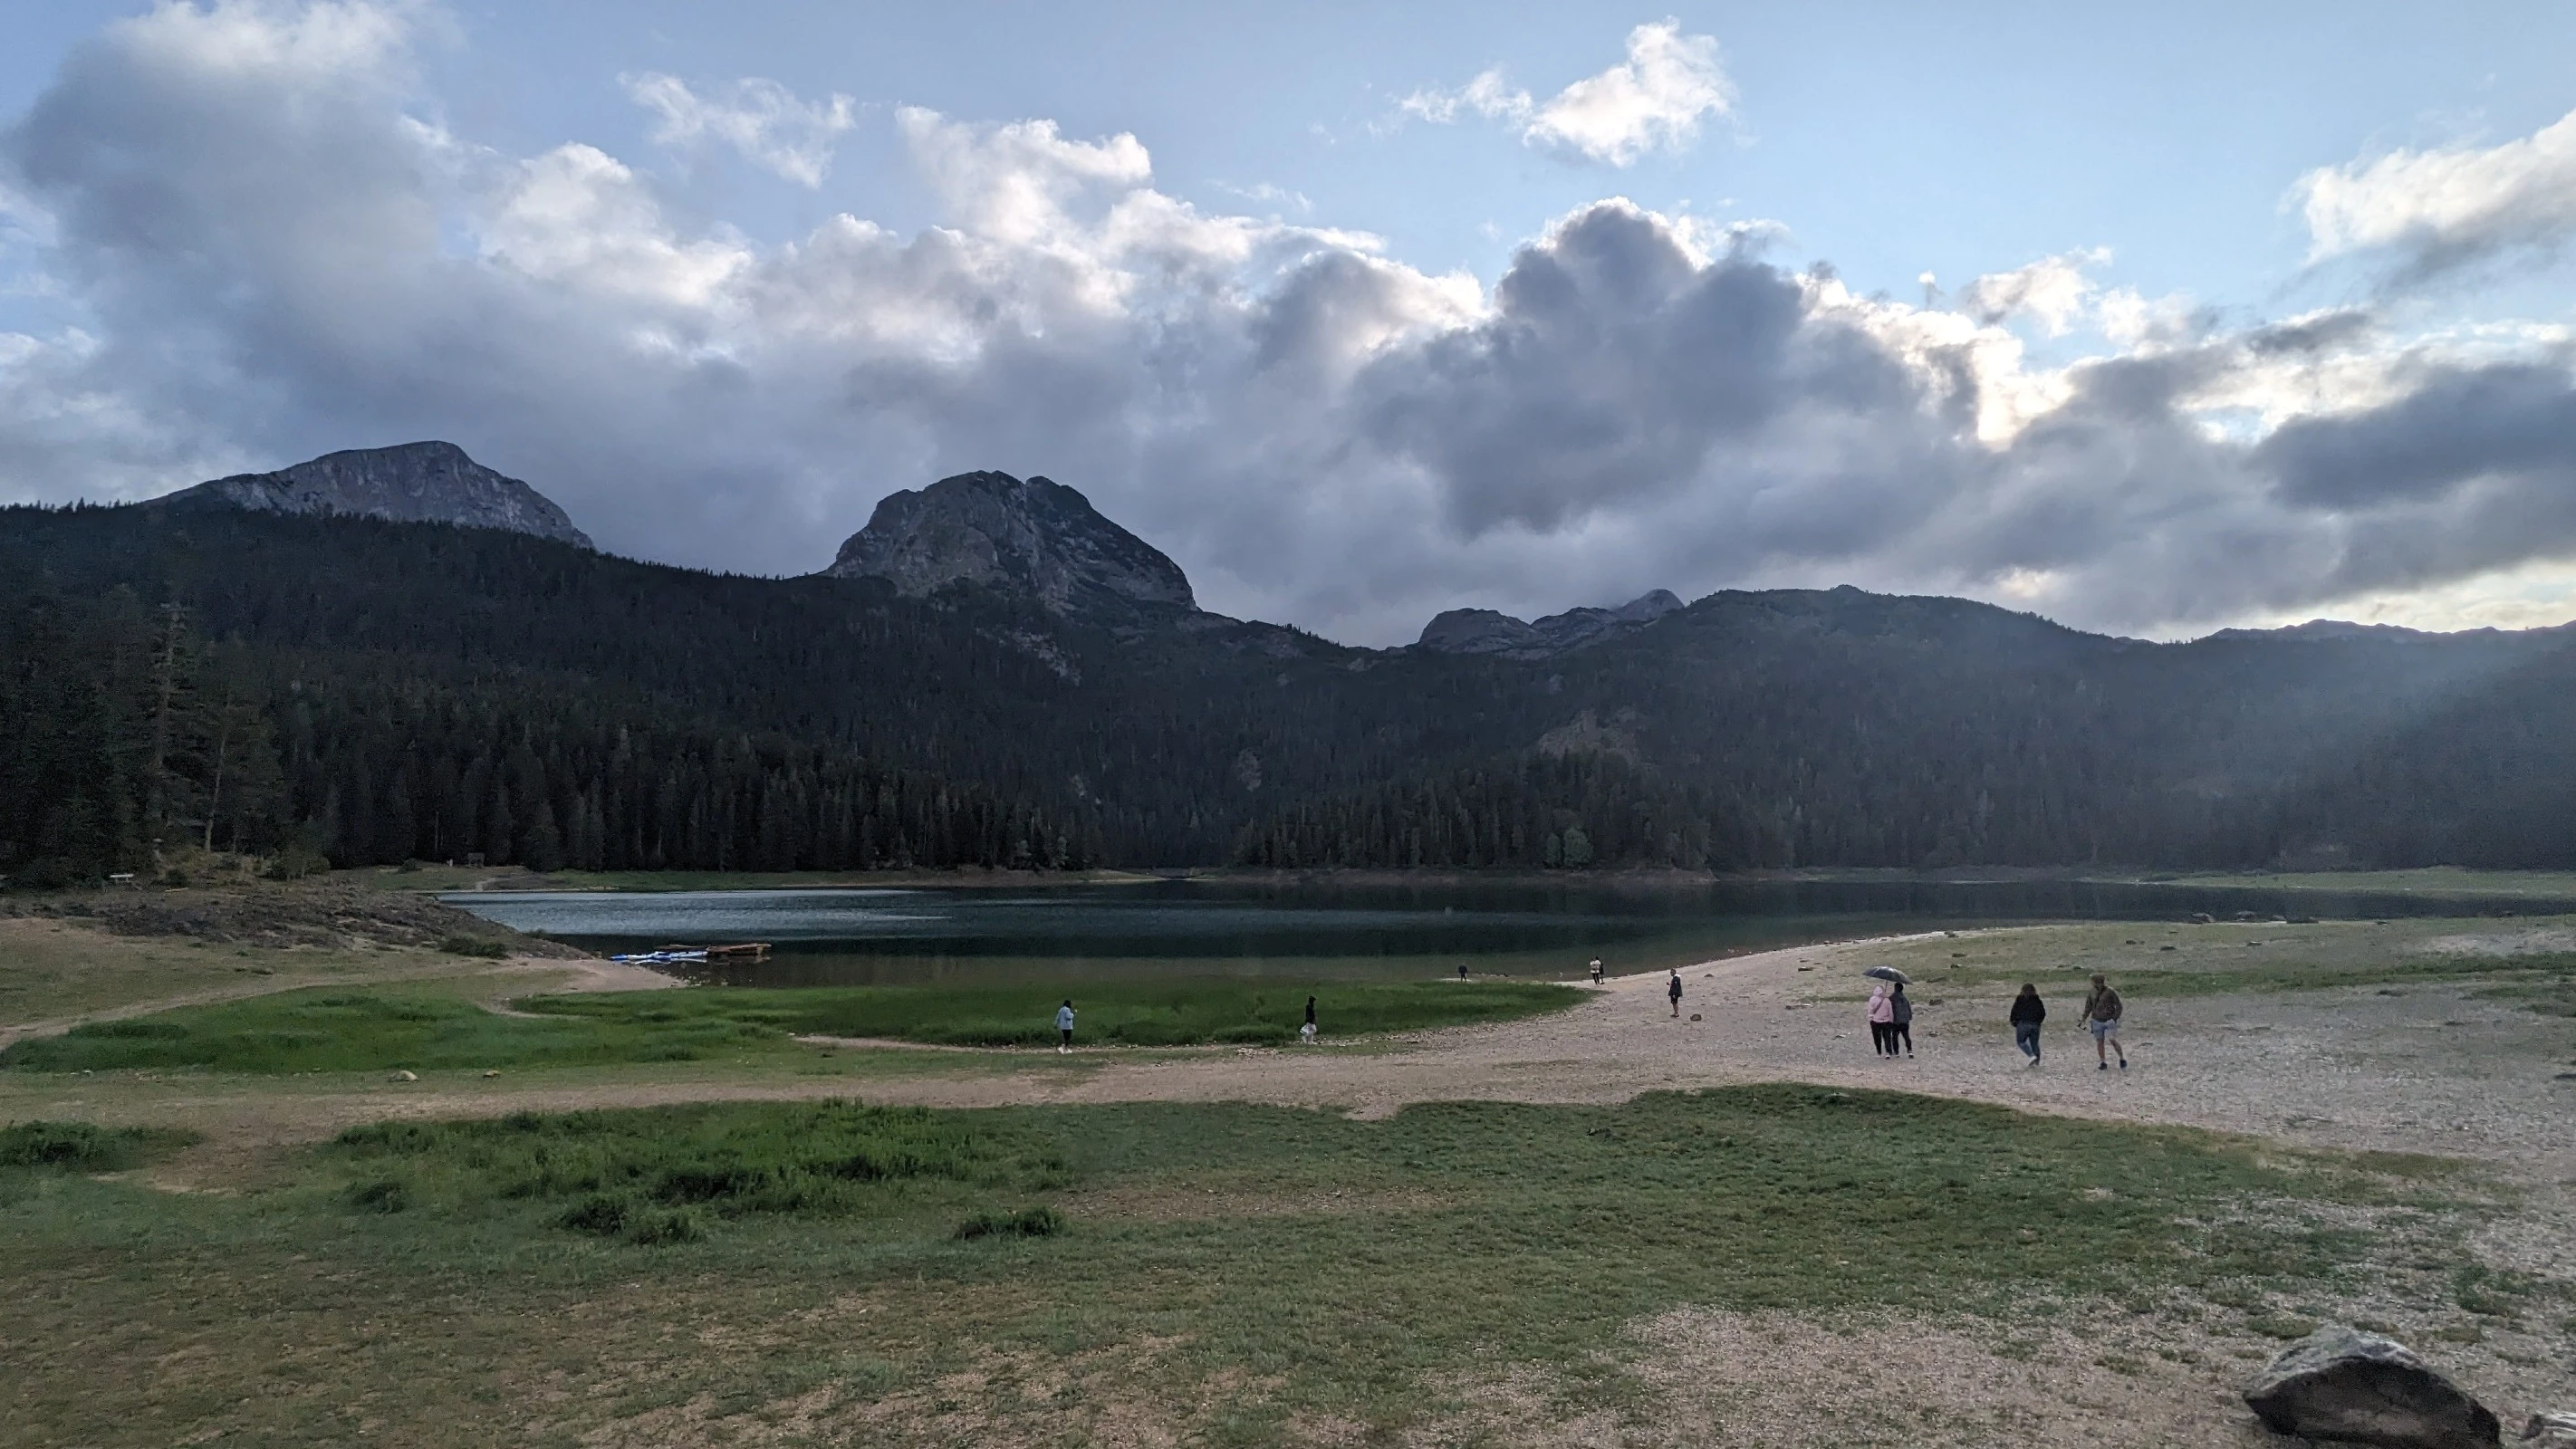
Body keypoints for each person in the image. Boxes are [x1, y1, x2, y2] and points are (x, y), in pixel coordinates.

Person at [2080, 974, 2126, 1070]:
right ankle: (2103, 1062)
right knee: (2099, 1041)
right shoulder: (2091, 992)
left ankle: (2121, 1058)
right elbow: (2088, 1006)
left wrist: (2115, 1018)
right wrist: (2084, 1018)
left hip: (2109, 1020)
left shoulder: (2110, 992)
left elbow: (2118, 1005)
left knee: (2112, 1040)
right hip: (2096, 1020)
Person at [2009, 984, 2045, 1065]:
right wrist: (2038, 1021)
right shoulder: (2037, 1000)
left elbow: (2015, 1011)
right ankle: (2036, 1062)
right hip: (2035, 1025)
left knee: (2021, 1042)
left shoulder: (2020, 999)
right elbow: (2042, 1013)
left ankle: (2031, 1055)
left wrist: (2013, 1021)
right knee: (2035, 1044)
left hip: (2023, 1024)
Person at [1887, 982, 1914, 1058]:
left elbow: (1889, 1009)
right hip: (1905, 1021)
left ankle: (1896, 1052)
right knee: (1906, 1036)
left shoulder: (1892, 998)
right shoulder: (1905, 998)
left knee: (1894, 1037)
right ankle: (1910, 1050)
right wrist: (1909, 1016)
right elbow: (1908, 1009)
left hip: (1896, 1021)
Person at [1867, 984, 1894, 1056]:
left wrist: (1871, 1017)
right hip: (1886, 1021)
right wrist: (1891, 1020)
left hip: (1875, 1021)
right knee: (1887, 1037)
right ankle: (1888, 1051)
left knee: (1877, 1037)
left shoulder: (1872, 999)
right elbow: (1890, 1011)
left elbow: (1870, 1010)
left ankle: (1879, 1050)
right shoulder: (1887, 1000)